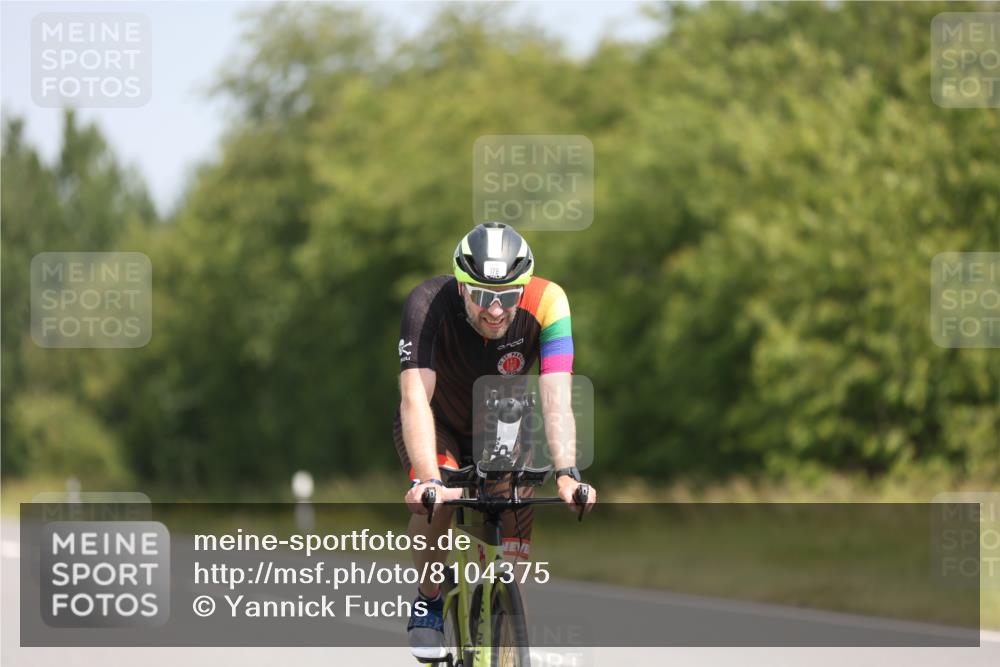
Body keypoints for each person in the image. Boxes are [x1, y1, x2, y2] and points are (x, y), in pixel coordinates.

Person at [393, 221, 597, 660]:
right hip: (437, 421)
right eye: (483, 296)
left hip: (501, 420)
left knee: (516, 506)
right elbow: (414, 397)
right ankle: (429, 600)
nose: (496, 310)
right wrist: (429, 480)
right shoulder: (427, 303)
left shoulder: (548, 301)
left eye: (508, 296)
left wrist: (566, 472)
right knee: (441, 500)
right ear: (462, 286)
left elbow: (556, 395)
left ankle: (503, 629)